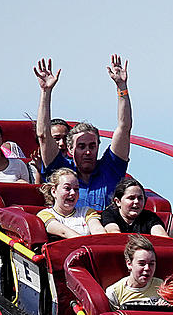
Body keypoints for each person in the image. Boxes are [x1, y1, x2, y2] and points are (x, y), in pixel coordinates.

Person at [33, 56, 132, 210]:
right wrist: (45, 92)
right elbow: (44, 136)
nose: (87, 151)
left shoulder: (110, 167)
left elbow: (124, 127)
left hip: (107, 231)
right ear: (70, 149)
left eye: (92, 146)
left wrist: (122, 87)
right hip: (70, 232)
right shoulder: (60, 169)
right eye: (81, 146)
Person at [37, 168, 104, 238]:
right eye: (67, 188)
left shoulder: (87, 212)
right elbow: (64, 232)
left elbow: (98, 231)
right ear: (54, 191)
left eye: (76, 189)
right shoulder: (44, 214)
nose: (73, 193)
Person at [105, 235, 164, 307]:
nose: (147, 268)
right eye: (142, 264)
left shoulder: (161, 286)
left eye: (151, 264)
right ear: (129, 264)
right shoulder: (114, 292)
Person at [101, 178, 169, 237]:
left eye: (140, 198)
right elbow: (114, 233)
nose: (136, 201)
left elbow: (161, 236)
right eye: (131, 198)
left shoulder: (150, 217)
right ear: (118, 201)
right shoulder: (109, 214)